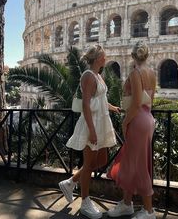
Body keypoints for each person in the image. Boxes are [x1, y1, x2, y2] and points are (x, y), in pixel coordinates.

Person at [59, 45, 119, 219]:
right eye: (104, 55)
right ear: (98, 58)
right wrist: (92, 131)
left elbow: (99, 100)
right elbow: (86, 104)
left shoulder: (98, 76)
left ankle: (70, 182)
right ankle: (85, 202)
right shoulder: (88, 76)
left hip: (101, 122)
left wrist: (112, 107)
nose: (106, 57)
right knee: (90, 163)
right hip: (92, 124)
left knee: (101, 160)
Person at [107, 41, 156, 219]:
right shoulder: (152, 73)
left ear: (133, 56)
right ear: (147, 55)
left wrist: (125, 122)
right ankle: (127, 204)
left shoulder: (136, 73)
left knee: (139, 165)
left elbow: (135, 104)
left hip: (137, 120)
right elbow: (150, 100)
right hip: (148, 118)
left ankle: (149, 211)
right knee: (132, 162)